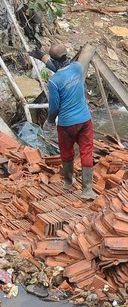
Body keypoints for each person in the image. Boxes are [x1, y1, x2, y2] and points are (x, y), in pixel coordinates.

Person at [43, 43, 95, 200]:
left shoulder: (54, 81)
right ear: (67, 55)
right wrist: (43, 57)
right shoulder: (77, 68)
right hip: (85, 119)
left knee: (67, 152)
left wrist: (50, 121)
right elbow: (62, 67)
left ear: (53, 60)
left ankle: (68, 182)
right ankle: (87, 190)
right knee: (87, 151)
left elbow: (54, 106)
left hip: (67, 124)